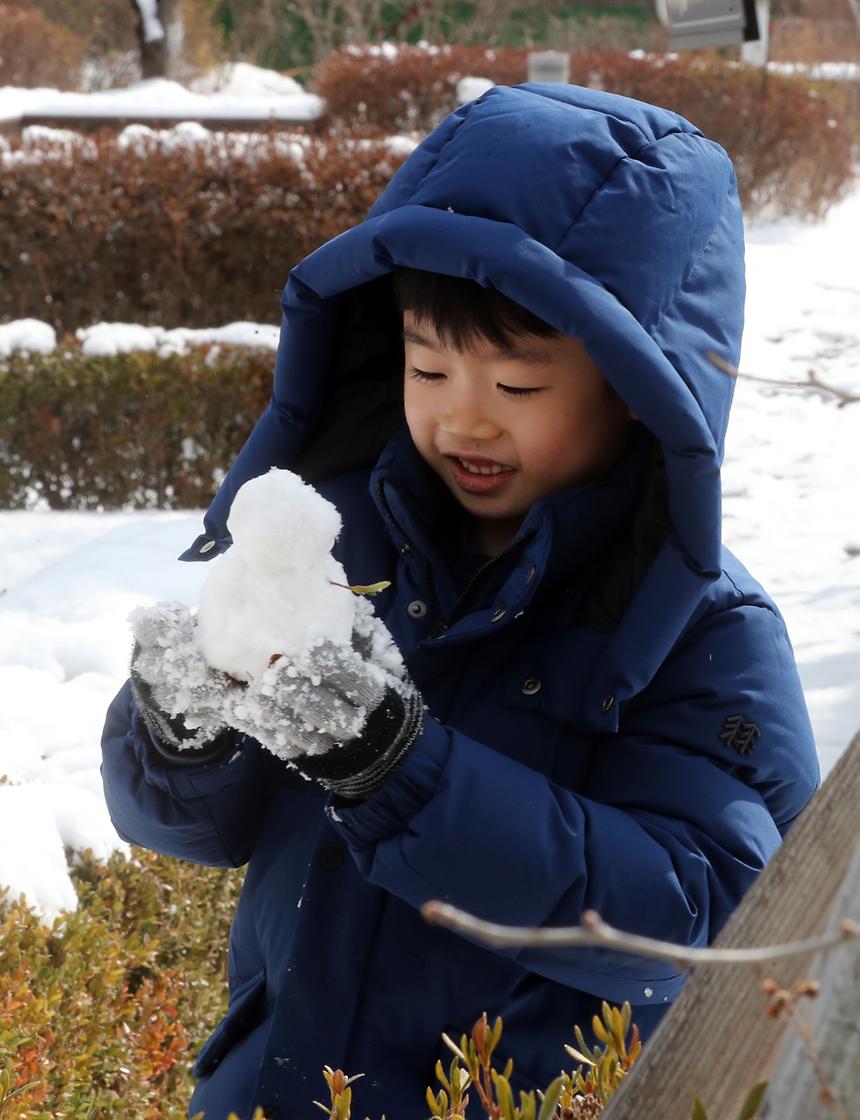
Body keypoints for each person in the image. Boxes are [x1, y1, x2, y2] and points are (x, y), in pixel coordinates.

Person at [101, 82, 820, 1120]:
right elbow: (201, 829)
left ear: (635, 388)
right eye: (426, 367)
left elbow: (701, 916)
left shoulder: (693, 629)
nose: (460, 420)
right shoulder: (343, 546)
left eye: (515, 388)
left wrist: (403, 773)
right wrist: (180, 733)